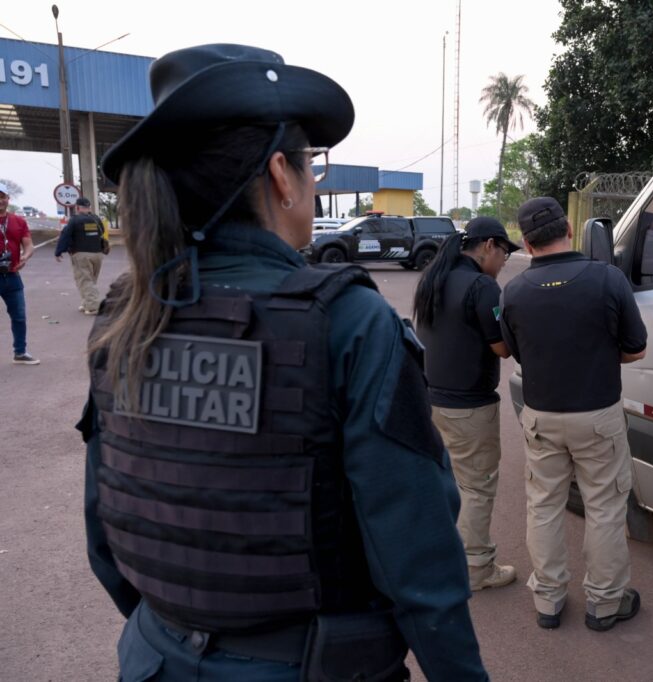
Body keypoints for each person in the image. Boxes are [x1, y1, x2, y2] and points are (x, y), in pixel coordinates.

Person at [80, 44, 487, 681]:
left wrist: (176, 638)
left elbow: (105, 532)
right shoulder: (348, 321)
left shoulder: (125, 316)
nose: (312, 185)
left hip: (152, 659)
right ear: (279, 175)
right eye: (311, 169)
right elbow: (418, 561)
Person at [499, 197, 648, 632]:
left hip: (541, 415)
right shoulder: (607, 279)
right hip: (598, 415)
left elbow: (516, 352)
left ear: (525, 241)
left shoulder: (514, 291)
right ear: (570, 228)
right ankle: (604, 604)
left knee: (543, 505)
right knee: (604, 506)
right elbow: (636, 348)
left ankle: (548, 600)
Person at [413, 216, 520, 592]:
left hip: (431, 400)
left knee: (448, 483)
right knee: (477, 487)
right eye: (505, 251)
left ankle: (443, 557)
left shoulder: (433, 278)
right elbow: (502, 347)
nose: (506, 259)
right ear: (489, 245)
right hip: (469, 407)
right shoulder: (482, 286)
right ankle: (477, 568)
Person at [0, 181, 39, 365]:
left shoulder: (18, 221)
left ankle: (20, 352)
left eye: (2, 196)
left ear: (8, 199)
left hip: (12, 275)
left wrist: (26, 256)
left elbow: (28, 244)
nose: (0, 200)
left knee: (19, 315)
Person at [55, 196, 106, 315]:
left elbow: (66, 236)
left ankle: (93, 307)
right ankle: (86, 303)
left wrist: (59, 251)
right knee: (90, 280)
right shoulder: (96, 219)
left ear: (77, 208)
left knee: (84, 280)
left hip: (81, 254)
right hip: (98, 254)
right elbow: (102, 231)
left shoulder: (74, 220)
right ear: (89, 207)